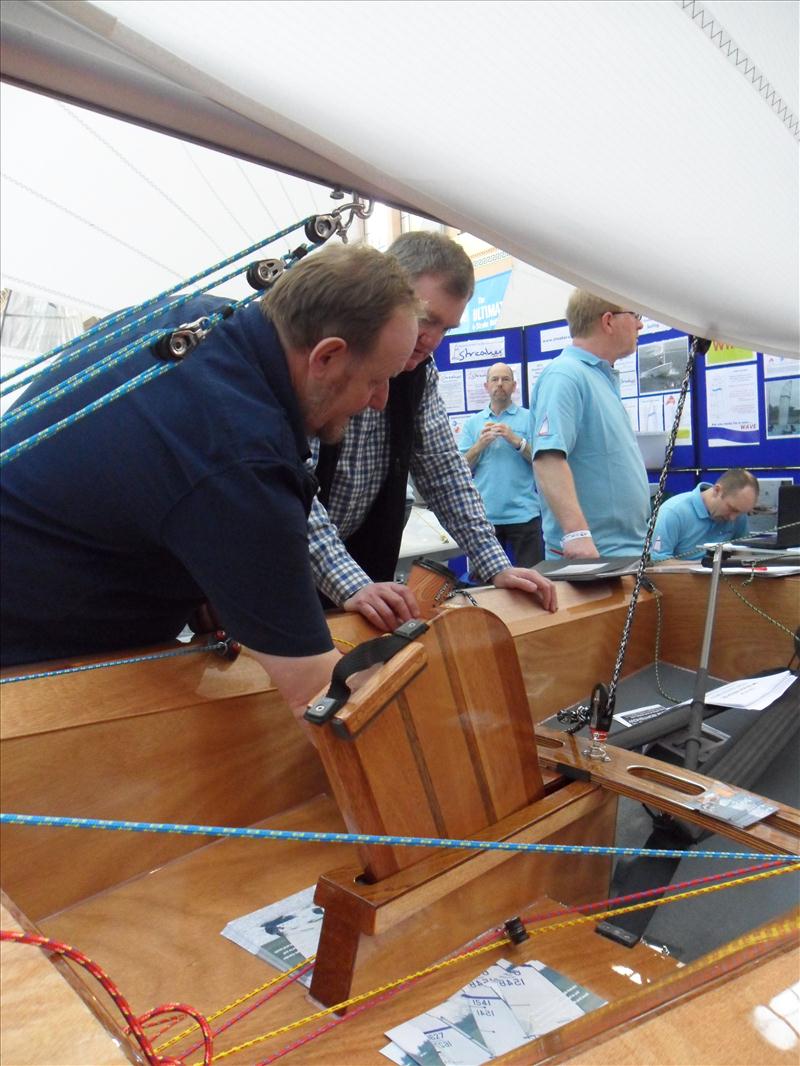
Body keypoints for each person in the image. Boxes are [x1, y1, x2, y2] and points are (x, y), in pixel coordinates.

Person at [0, 244, 419, 715]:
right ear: (326, 357)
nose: (382, 401)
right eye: (377, 379)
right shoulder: (240, 456)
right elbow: (322, 698)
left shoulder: (208, 318)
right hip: (25, 670)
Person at [309, 231, 557, 632]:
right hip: (288, 568)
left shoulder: (419, 373)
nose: (431, 340)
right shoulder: (322, 359)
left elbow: (444, 471)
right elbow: (290, 495)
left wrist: (494, 563)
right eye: (426, 319)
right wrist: (350, 583)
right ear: (382, 291)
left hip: (357, 569)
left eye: (446, 328)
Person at [530, 290, 650, 559]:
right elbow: (547, 461)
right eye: (635, 315)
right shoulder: (565, 375)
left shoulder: (598, 377)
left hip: (618, 555)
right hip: (593, 559)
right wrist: (577, 535)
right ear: (608, 321)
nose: (640, 324)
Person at [459, 363, 543, 567]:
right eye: (495, 380)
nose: (500, 384)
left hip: (525, 515)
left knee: (534, 581)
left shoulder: (529, 418)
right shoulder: (473, 423)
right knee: (487, 588)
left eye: (505, 379)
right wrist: (480, 445)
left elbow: (542, 460)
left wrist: (517, 441)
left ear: (514, 386)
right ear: (486, 386)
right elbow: (460, 469)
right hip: (485, 519)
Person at [651, 469, 759, 560]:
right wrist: (703, 567)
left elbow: (744, 552)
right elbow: (658, 561)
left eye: (741, 512)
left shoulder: (738, 516)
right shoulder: (673, 512)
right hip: (680, 581)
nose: (733, 518)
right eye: (732, 509)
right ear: (717, 490)